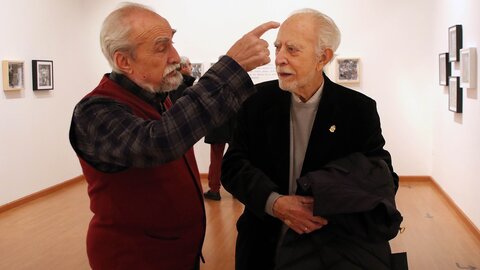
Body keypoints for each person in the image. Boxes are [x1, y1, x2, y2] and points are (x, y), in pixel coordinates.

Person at [68, 2, 279, 270]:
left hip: (174, 253)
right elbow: (158, 143)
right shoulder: (94, 111)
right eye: (161, 46)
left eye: (172, 43)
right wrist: (231, 68)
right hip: (134, 259)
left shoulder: (157, 97)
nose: (175, 56)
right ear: (124, 61)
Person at [222, 8, 405, 270]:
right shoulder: (254, 102)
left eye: (292, 50)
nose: (280, 59)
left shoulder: (358, 110)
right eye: (278, 48)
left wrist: (329, 203)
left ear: (323, 57)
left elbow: (382, 178)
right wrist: (275, 204)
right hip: (263, 246)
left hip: (331, 249)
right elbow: (233, 167)